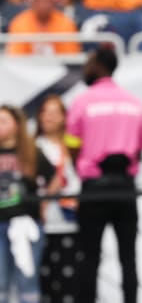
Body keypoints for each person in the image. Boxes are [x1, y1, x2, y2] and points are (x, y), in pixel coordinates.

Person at [66, 48, 142, 303]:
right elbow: (139, 149)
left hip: (93, 188)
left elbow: (71, 144)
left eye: (89, 62)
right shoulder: (134, 102)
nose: (86, 67)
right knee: (128, 258)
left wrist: (83, 167)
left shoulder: (82, 101)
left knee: (88, 256)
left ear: (99, 66)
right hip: (125, 187)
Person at [0, 105, 54, 303]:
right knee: (1, 282)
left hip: (26, 223)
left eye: (4, 121)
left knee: (27, 280)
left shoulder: (30, 151)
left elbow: (54, 178)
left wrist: (44, 204)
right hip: (0, 223)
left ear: (16, 124)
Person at [34, 94, 81, 303]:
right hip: (42, 222)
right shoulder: (33, 146)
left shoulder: (73, 144)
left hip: (71, 221)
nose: (50, 117)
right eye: (45, 111)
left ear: (64, 117)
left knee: (71, 282)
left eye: (56, 112)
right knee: (45, 281)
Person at [6, 0, 80, 56]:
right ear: (32, 1)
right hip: (26, 66)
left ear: (53, 1)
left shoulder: (66, 24)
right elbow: (16, 56)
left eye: (46, 0)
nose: (42, 5)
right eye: (38, 0)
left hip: (58, 66)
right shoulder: (19, 23)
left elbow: (70, 56)